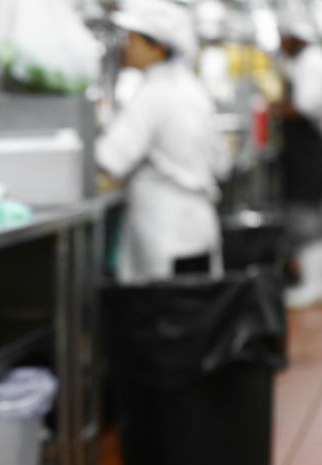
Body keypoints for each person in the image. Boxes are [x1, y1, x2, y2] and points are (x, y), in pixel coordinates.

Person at [97, 0, 230, 284]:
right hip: (199, 225)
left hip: (164, 227)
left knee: (166, 313)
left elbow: (110, 158)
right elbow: (221, 161)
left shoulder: (152, 94)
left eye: (132, 39)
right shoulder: (194, 89)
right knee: (194, 309)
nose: (125, 47)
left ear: (156, 45)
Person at [271, 18, 322, 308]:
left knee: (307, 215)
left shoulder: (311, 62)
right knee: (314, 215)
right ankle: (319, 282)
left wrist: (275, 108)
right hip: (307, 150)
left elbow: (308, 106)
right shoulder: (306, 60)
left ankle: (315, 283)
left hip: (308, 150)